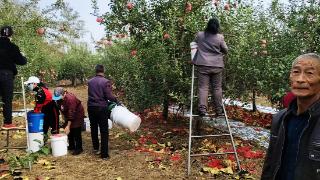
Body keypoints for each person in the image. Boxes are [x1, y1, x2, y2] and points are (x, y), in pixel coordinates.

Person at [261, 53, 320, 180]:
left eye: (309, 73)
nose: (300, 79)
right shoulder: (280, 118)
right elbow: (270, 163)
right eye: (296, 72)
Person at [192, 17, 228, 117]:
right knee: (217, 88)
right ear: (217, 27)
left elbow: (194, 45)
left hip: (203, 65)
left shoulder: (200, 35)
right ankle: (219, 110)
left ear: (208, 25)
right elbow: (225, 50)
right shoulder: (220, 37)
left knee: (203, 88)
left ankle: (202, 110)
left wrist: (194, 58)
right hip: (217, 66)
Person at [87, 64, 118, 160]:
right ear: (103, 71)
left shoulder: (90, 81)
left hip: (91, 107)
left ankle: (96, 148)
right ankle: (104, 154)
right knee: (104, 130)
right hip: (101, 107)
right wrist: (116, 100)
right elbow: (108, 96)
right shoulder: (105, 82)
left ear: (95, 71)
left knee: (94, 127)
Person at [0, 25, 27, 129]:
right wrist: (22, 56)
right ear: (11, 35)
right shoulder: (12, 47)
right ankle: (7, 123)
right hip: (6, 75)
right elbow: (22, 61)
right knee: (7, 99)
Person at [53, 87, 84, 155]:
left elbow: (71, 112)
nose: (57, 99)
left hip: (77, 114)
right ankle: (71, 146)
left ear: (64, 93)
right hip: (68, 114)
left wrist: (68, 125)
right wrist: (64, 119)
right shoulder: (59, 99)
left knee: (76, 130)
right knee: (69, 132)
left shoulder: (70, 99)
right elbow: (60, 108)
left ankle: (79, 148)